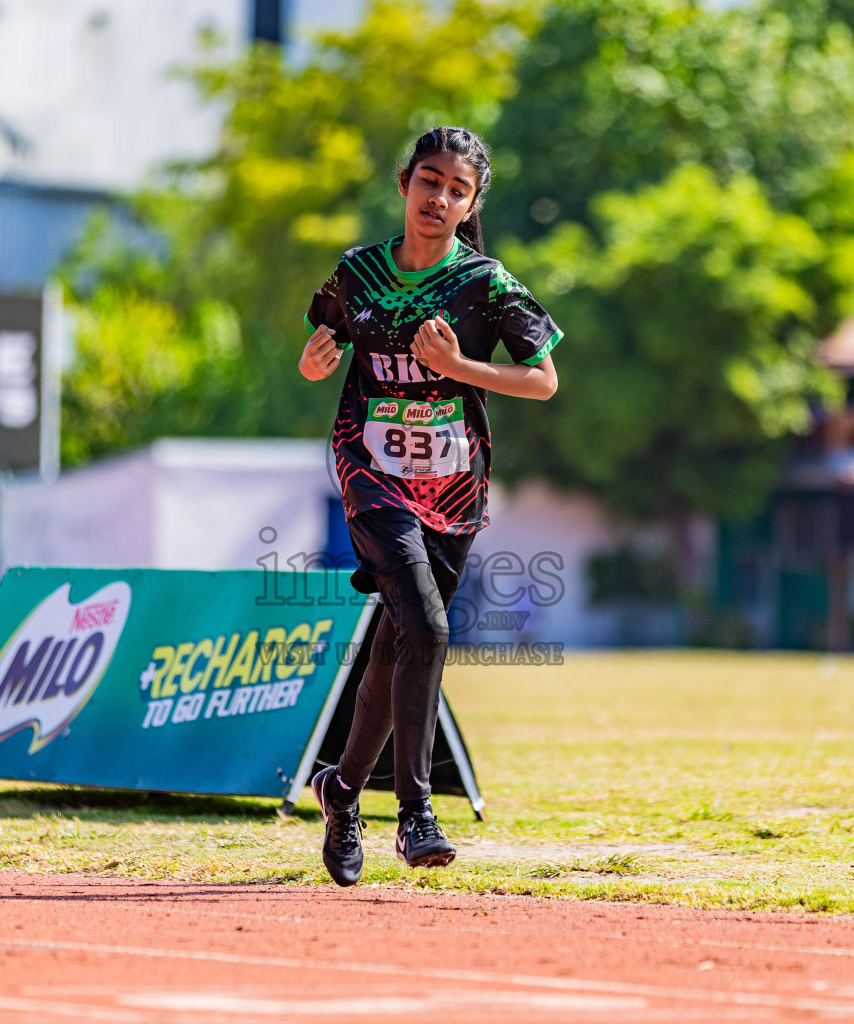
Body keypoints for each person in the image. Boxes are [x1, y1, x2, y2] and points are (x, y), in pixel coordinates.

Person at [298, 127, 561, 886]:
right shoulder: (359, 272)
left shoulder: (487, 284)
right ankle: (415, 812)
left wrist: (456, 366)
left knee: (400, 644)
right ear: (405, 183)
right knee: (428, 627)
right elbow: (323, 345)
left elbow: (542, 380)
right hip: (371, 472)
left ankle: (341, 790)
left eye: (457, 189)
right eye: (429, 181)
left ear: (472, 202)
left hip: (454, 489)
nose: (439, 198)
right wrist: (316, 363)